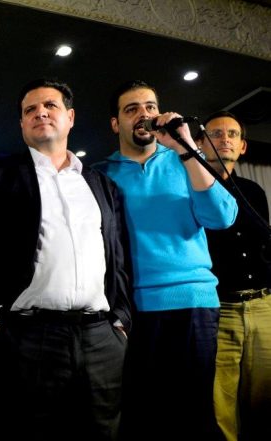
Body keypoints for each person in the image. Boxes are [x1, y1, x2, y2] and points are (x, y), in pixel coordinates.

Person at [0, 78, 132, 441]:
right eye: (30, 110)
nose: (40, 113)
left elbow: (118, 258)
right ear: (22, 124)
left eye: (50, 106)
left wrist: (120, 322)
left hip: (101, 339)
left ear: (70, 117)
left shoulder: (101, 185)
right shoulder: (0, 176)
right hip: (26, 339)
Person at [93, 80, 238, 441]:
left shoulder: (185, 159)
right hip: (133, 309)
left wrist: (186, 148)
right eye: (132, 109)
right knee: (141, 416)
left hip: (193, 303)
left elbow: (222, 217)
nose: (144, 114)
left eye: (151, 107)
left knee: (194, 416)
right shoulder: (98, 174)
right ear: (115, 124)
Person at [196, 111, 271, 441]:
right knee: (220, 402)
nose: (224, 139)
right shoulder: (190, 189)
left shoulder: (254, 190)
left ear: (242, 146)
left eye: (232, 134)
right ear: (200, 143)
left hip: (263, 305)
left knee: (265, 397)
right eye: (215, 133)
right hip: (219, 309)